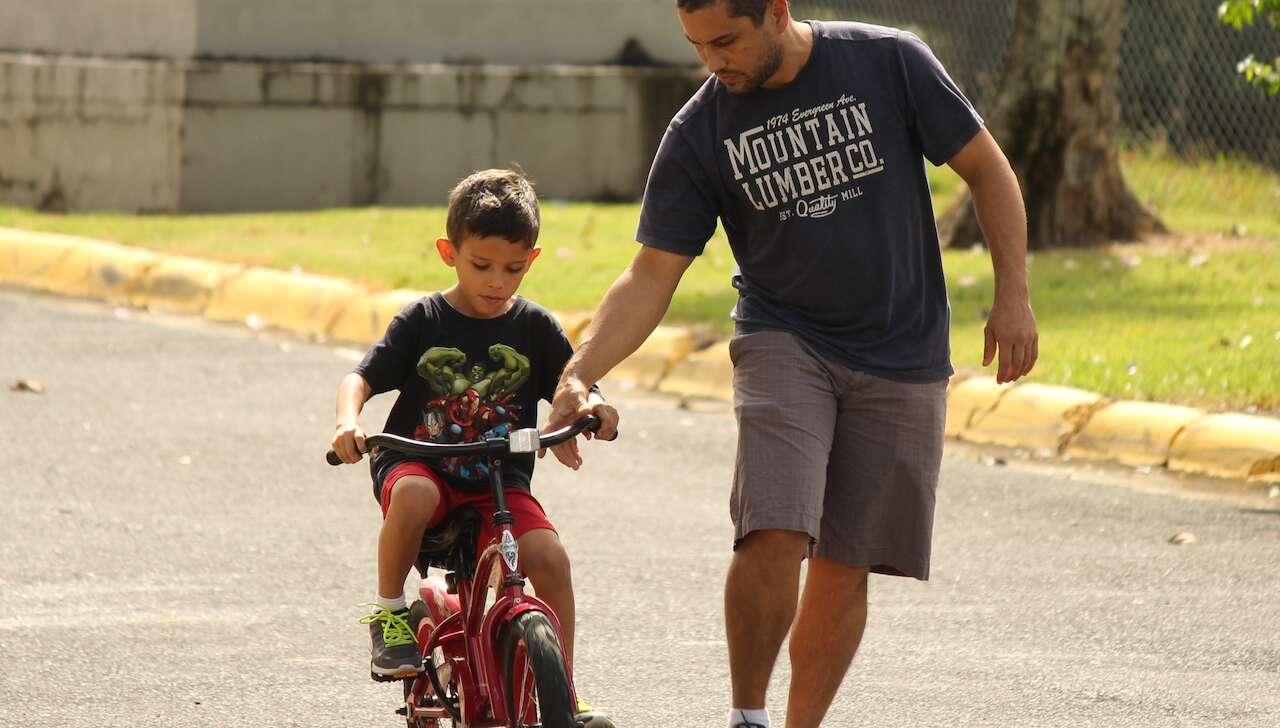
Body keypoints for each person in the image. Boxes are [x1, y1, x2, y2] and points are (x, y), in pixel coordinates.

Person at [546, 1, 1038, 727]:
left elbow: (987, 169)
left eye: (726, 40)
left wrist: (1014, 296)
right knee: (774, 528)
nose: (712, 61)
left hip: (903, 350)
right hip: (785, 338)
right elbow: (652, 273)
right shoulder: (700, 129)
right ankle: (747, 717)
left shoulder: (889, 62)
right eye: (697, 45)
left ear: (775, 11)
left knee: (846, 560)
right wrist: (579, 372)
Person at [330, 168, 619, 722]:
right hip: (422, 464)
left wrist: (593, 407)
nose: (496, 282)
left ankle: (565, 689)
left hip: (498, 482)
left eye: (513, 269)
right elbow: (360, 379)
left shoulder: (535, 327)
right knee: (412, 495)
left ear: (531, 260)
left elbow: (573, 383)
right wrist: (348, 422)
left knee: (550, 558)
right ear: (449, 252)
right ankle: (390, 615)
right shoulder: (424, 319)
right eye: (480, 266)